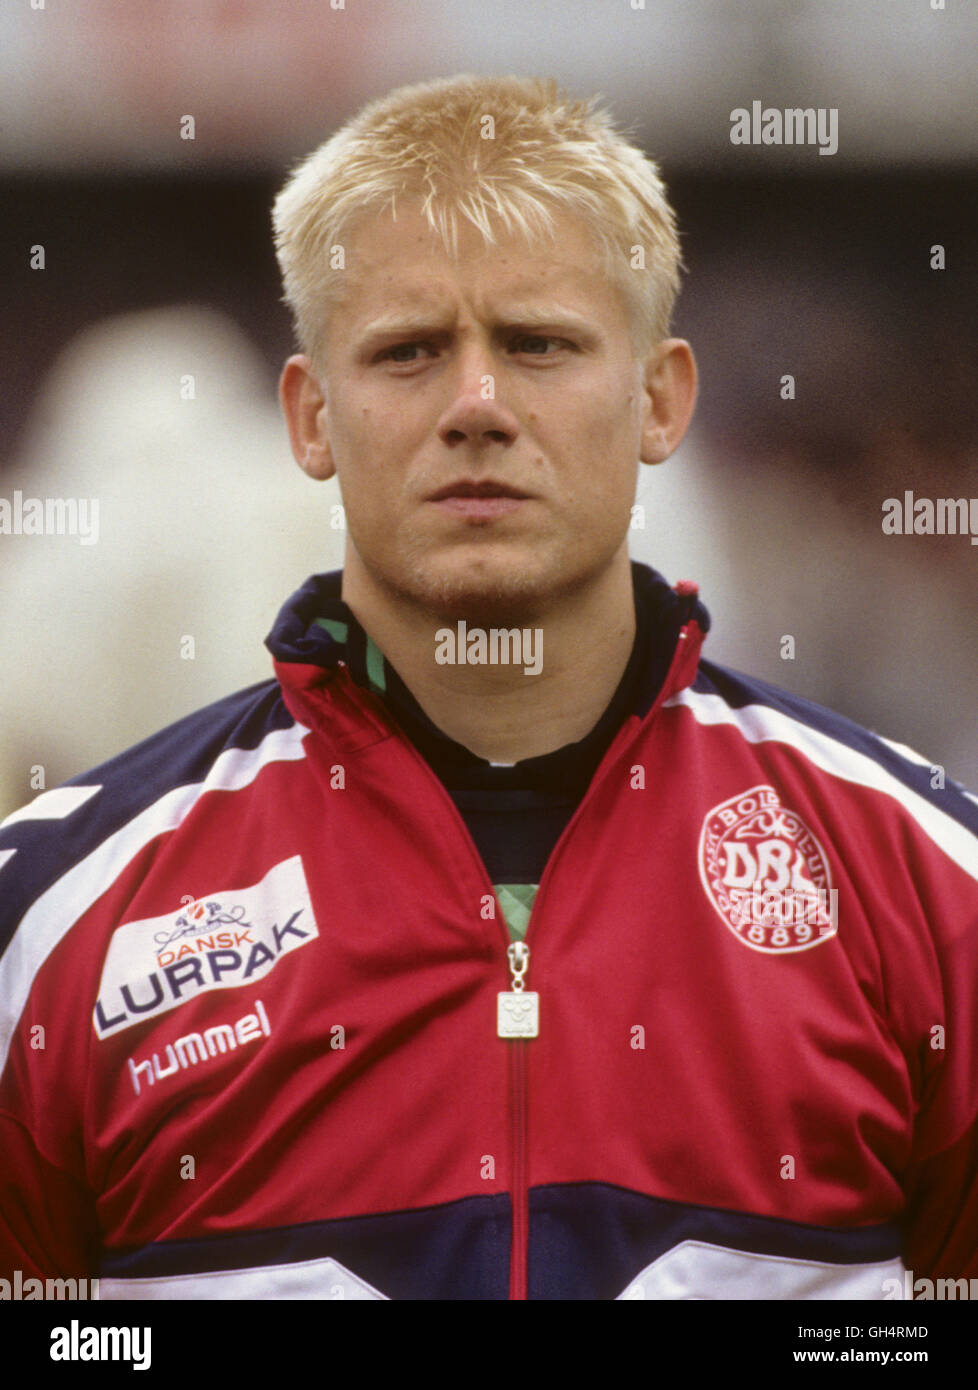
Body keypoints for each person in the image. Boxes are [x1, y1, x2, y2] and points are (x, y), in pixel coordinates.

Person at [1, 74, 975, 1303]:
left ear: (661, 398)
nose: (477, 406)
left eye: (538, 344)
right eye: (409, 352)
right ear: (309, 416)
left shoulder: (935, 891)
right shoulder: (45, 924)